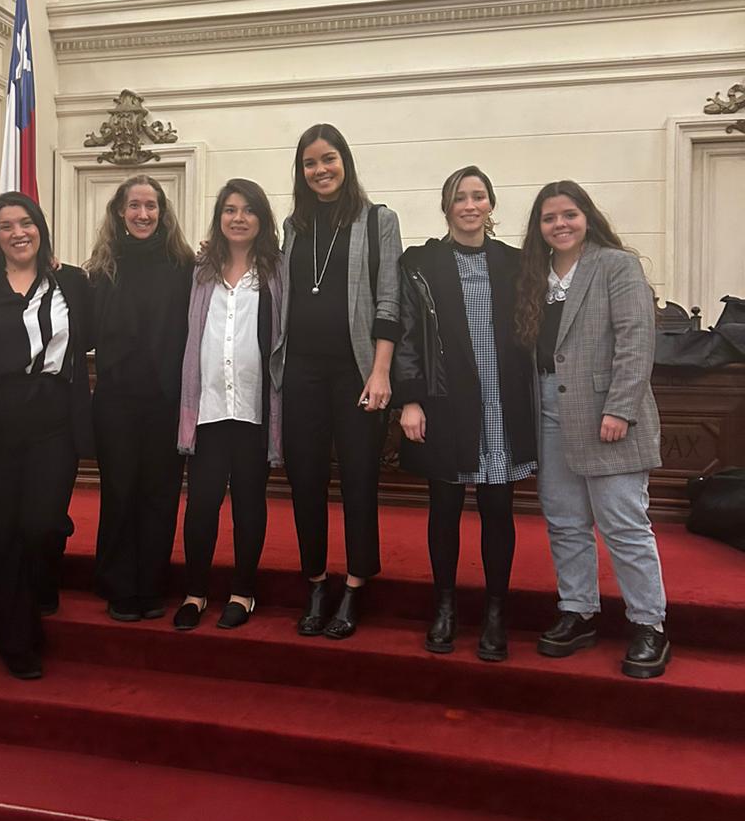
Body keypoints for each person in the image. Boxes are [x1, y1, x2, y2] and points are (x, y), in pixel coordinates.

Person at [515, 180, 669, 679]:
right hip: (548, 411)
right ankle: (578, 611)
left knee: (623, 524)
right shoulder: (534, 274)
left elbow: (636, 342)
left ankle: (649, 623)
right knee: (565, 521)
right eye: (549, 218)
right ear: (538, 227)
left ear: (587, 217)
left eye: (569, 214)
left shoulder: (616, 265)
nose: (559, 224)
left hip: (606, 412)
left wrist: (620, 408)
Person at [393, 167, 536, 661]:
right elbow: (407, 334)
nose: (470, 205)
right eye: (460, 197)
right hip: (446, 402)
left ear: (491, 204)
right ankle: (445, 607)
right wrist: (410, 399)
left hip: (502, 401)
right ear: (446, 206)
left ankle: (496, 613)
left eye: (479, 196)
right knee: (445, 509)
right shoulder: (421, 263)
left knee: (498, 511)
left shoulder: (515, 262)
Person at [272, 124, 402, 640]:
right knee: (304, 480)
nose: (320, 170)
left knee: (358, 479)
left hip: (357, 371)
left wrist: (381, 370)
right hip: (300, 370)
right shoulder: (293, 226)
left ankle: (353, 584)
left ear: (344, 162)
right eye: (310, 163)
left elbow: (389, 298)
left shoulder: (377, 220)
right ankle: (316, 582)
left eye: (328, 159)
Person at [0, 193, 93, 680]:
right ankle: (16, 640)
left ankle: (44, 580)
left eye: (26, 223)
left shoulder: (71, 281)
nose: (18, 233)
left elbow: (92, 334)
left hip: (53, 419)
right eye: (5, 225)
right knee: (1, 533)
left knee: (41, 523)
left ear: (40, 228)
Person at [175, 179, 284, 630]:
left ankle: (243, 591)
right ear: (219, 217)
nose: (238, 218)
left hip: (255, 409)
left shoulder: (278, 271)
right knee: (201, 504)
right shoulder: (200, 271)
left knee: (248, 504)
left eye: (248, 210)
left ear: (262, 218)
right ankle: (195, 592)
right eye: (230, 209)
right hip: (209, 408)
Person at [87, 176, 194, 621]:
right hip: (115, 399)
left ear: (162, 212)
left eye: (151, 206)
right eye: (134, 205)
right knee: (119, 490)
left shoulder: (185, 266)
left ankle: (150, 583)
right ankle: (118, 585)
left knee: (160, 493)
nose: (143, 214)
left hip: (166, 399)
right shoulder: (101, 269)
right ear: (120, 211)